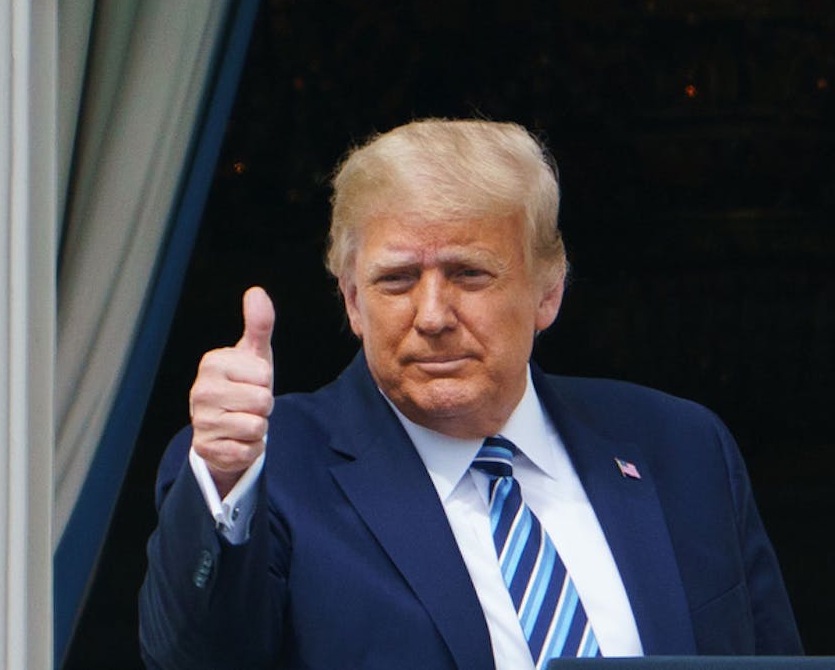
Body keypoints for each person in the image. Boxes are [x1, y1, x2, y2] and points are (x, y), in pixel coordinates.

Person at [138, 119, 801, 669]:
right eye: (396, 279)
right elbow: (191, 657)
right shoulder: (268, 472)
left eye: (468, 273)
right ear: (352, 302)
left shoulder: (680, 447)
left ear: (549, 290)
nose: (432, 314)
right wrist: (224, 479)